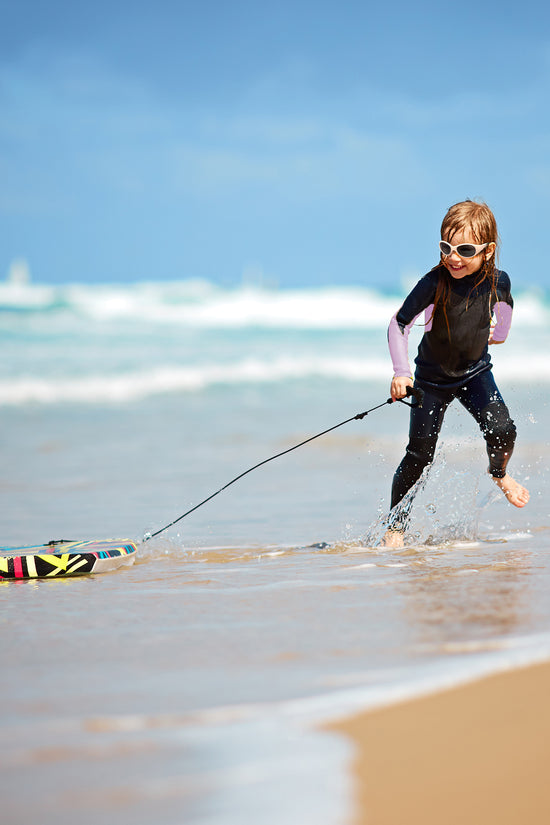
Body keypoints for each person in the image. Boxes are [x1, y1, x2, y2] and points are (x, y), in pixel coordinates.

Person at [383, 199, 529, 547]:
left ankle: (499, 473)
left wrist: (501, 331)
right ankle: (395, 527)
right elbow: (399, 323)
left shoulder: (498, 280)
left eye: (465, 250)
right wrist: (401, 372)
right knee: (419, 456)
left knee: (503, 430)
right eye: (446, 247)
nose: (453, 257)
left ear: (487, 251)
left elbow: (505, 306)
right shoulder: (434, 282)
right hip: (430, 380)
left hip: (475, 373)